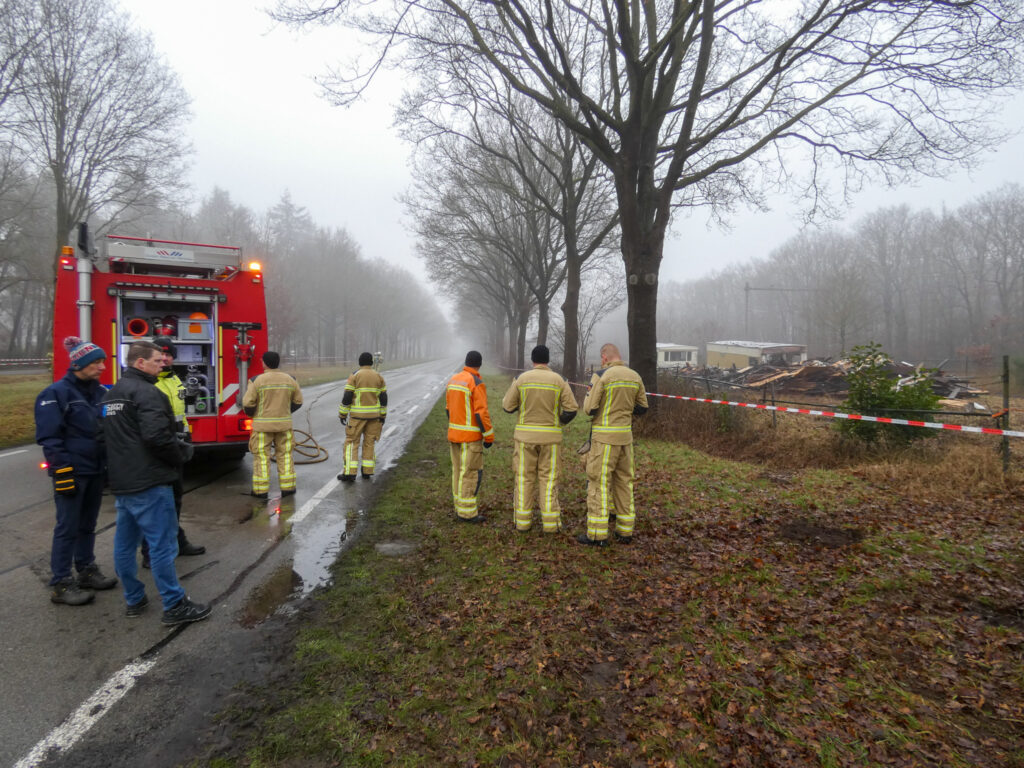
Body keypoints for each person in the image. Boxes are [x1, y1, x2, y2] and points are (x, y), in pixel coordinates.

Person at [101, 341, 210, 625]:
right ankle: (174, 604)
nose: (162, 364)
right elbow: (156, 438)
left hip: (123, 482)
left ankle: (134, 599)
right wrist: (180, 455)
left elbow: (101, 438)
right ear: (140, 363)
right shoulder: (148, 393)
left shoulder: (111, 394)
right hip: (151, 480)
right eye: (156, 361)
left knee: (124, 545)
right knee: (162, 544)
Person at [34, 337, 118, 605]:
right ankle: (61, 582)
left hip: (95, 470)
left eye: (103, 361)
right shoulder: (55, 394)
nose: (102, 366)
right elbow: (49, 437)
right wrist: (62, 469)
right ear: (80, 364)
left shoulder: (100, 393)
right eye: (96, 362)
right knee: (67, 527)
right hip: (72, 471)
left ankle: (86, 570)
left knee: (87, 525)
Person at [140, 340, 204, 568]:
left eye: (169, 355)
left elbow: (180, 410)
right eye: (161, 355)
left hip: (176, 447)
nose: (165, 359)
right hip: (159, 451)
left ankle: (177, 542)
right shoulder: (149, 383)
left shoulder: (173, 379)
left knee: (174, 500)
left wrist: (192, 396)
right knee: (157, 503)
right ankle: (150, 552)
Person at [501, 345, 578, 532]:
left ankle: (523, 522)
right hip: (551, 439)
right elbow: (572, 409)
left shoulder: (521, 379)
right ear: (548, 360)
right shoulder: (559, 380)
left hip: (524, 438)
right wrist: (558, 421)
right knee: (549, 479)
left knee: (524, 478)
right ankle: (551, 525)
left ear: (532, 360)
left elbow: (507, 407)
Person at [578, 343, 649, 547]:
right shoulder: (635, 376)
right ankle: (625, 531)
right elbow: (643, 407)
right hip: (625, 439)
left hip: (603, 440)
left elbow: (589, 408)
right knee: (624, 482)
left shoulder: (602, 376)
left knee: (598, 482)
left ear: (604, 357)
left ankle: (598, 535)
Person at [242, 350, 303, 499]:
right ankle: (288, 488)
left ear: (264, 363)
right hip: (284, 426)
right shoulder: (290, 379)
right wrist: (285, 413)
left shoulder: (256, 380)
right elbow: (298, 401)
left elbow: (247, 404)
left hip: (262, 428)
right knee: (286, 455)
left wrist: (253, 416)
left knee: (262, 457)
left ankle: (260, 490)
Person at [446, 350, 494, 522]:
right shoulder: (476, 382)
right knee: (470, 473)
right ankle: (467, 514)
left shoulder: (453, 380)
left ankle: (459, 508)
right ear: (479, 364)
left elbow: (447, 409)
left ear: (466, 362)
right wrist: (488, 436)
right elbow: (481, 413)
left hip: (454, 435)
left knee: (457, 471)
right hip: (470, 439)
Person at [337, 352, 388, 482]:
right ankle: (367, 471)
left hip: (357, 417)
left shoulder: (355, 376)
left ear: (359, 363)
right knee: (369, 443)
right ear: (371, 362)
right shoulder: (379, 377)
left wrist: (342, 413)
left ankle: (349, 473)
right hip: (374, 417)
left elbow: (347, 396)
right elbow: (383, 398)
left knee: (352, 443)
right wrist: (383, 415)